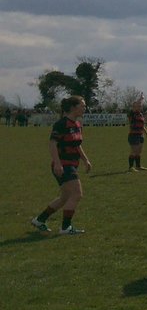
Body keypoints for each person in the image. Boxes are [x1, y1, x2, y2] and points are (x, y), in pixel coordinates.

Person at [30, 95, 92, 235]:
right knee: (77, 194)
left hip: (72, 164)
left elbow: (77, 145)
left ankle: (39, 220)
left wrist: (85, 160)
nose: (84, 108)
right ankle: (65, 227)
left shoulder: (77, 124)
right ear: (73, 107)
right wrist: (57, 164)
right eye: (82, 105)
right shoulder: (61, 124)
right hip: (64, 165)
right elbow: (52, 144)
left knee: (65, 197)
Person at [127, 96, 147, 172]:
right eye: (138, 106)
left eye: (140, 106)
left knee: (139, 151)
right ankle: (131, 167)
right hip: (133, 135)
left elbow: (142, 125)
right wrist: (141, 99)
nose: (139, 107)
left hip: (140, 135)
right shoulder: (132, 113)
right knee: (133, 151)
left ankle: (138, 166)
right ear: (134, 107)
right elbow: (136, 105)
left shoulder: (140, 114)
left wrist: (146, 132)